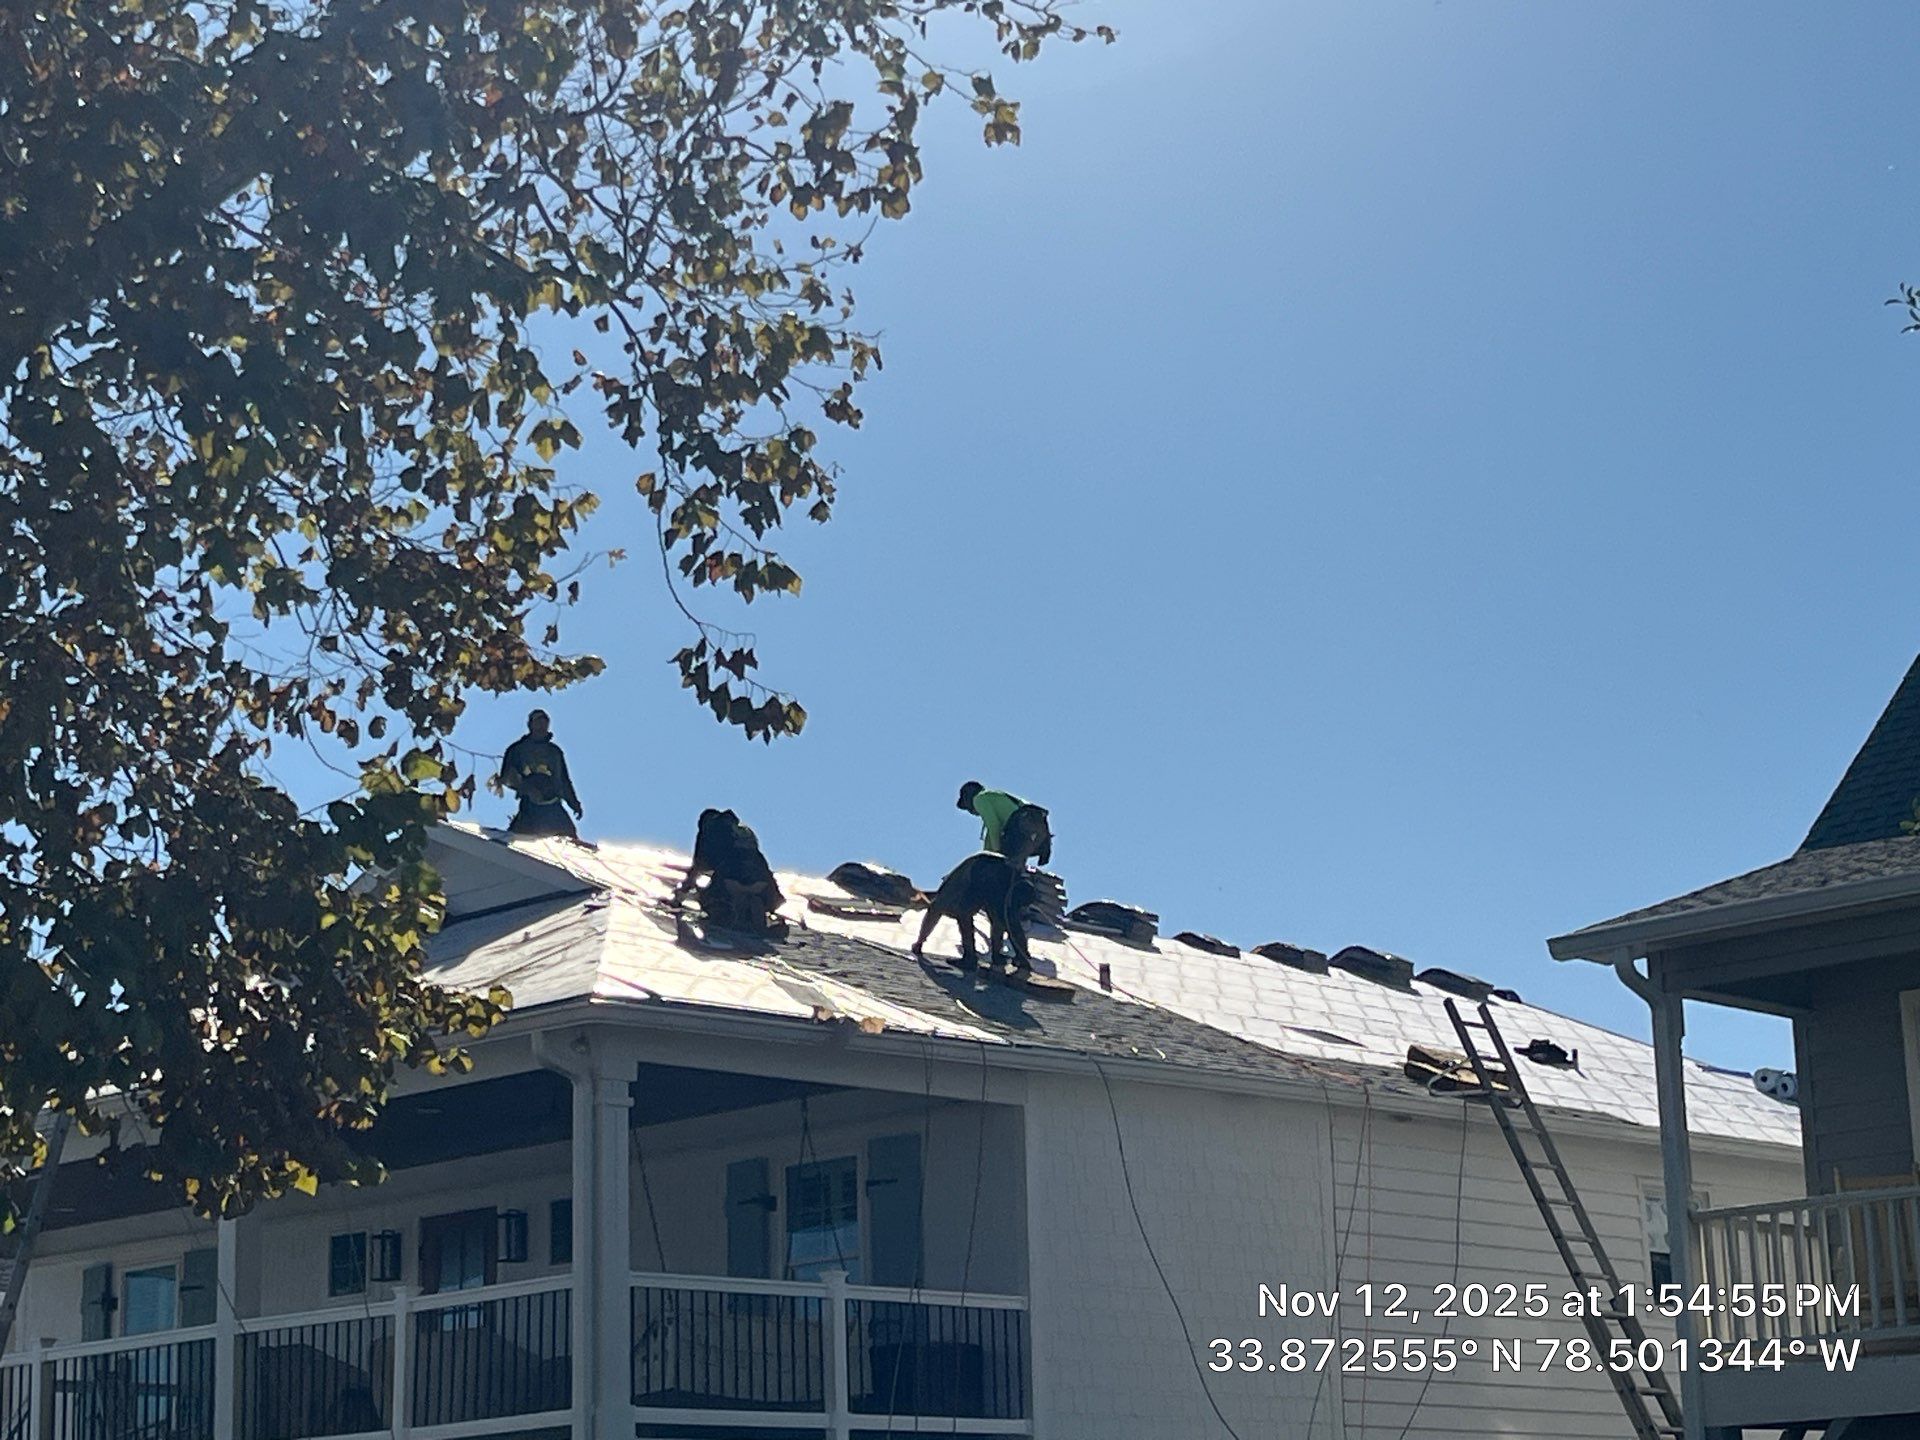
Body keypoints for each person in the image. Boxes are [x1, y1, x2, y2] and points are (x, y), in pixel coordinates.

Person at [499, 709, 584, 838]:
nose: (542, 726)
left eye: (545, 722)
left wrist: (574, 803)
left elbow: (564, 781)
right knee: (518, 837)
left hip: (552, 803)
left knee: (568, 835)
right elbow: (507, 777)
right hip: (530, 804)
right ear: (531, 725)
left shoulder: (554, 752)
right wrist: (527, 788)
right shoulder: (517, 750)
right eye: (538, 722)